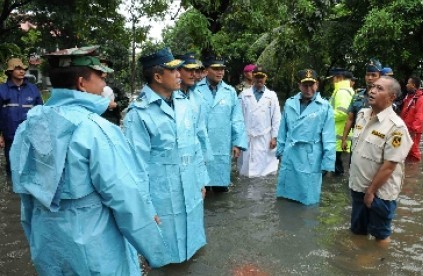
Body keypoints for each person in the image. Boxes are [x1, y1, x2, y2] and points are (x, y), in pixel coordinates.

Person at [10, 46, 169, 275]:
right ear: (82, 83)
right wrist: (156, 251)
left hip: (48, 242)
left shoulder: (27, 127)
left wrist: (35, 239)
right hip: (95, 246)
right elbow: (126, 198)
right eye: (100, 77)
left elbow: (26, 199)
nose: (104, 84)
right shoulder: (96, 130)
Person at [123, 47, 208, 264]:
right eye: (174, 71)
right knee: (166, 253)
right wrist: (145, 207)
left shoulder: (183, 103)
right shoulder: (139, 114)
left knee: (193, 251)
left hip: (189, 184)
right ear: (158, 76)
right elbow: (135, 167)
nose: (180, 74)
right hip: (162, 194)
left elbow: (194, 145)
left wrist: (201, 180)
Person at [349, 76, 413, 243]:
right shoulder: (362, 114)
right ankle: (357, 264)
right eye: (373, 87)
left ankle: (380, 264)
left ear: (392, 97)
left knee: (380, 235)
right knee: (357, 231)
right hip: (358, 187)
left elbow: (389, 166)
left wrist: (371, 192)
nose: (372, 91)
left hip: (379, 194)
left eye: (379, 89)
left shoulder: (396, 127)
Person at [276, 69, 336, 205]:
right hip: (290, 153)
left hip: (311, 157)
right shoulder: (290, 103)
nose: (308, 89)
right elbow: (282, 130)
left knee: (308, 200)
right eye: (305, 85)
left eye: (311, 85)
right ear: (299, 85)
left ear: (317, 85)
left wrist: (328, 163)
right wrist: (280, 152)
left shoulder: (325, 107)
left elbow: (329, 137)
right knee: (285, 199)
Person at [196, 53, 248, 192]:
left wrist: (237, 143)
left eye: (222, 69)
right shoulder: (195, 90)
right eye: (216, 68)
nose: (220, 72)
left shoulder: (230, 91)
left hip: (222, 145)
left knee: (221, 190)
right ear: (206, 70)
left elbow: (236, 118)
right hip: (201, 145)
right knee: (202, 189)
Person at [0, 58, 43, 175]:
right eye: (17, 68)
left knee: (30, 165)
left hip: (30, 134)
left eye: (23, 68)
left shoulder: (32, 89)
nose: (21, 71)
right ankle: (12, 188)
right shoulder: (2, 90)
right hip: (10, 135)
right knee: (12, 166)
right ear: (10, 71)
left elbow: (40, 111)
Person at [238, 65, 281, 177]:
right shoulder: (244, 95)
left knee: (265, 172)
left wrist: (274, 137)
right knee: (245, 171)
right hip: (248, 138)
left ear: (266, 78)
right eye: (257, 76)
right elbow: (238, 118)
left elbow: (276, 118)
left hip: (265, 138)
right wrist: (238, 140)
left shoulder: (272, 96)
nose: (259, 79)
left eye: (262, 77)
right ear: (253, 77)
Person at [341, 59, 383, 153]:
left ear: (380, 77)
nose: (370, 78)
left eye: (373, 75)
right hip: (357, 142)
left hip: (375, 144)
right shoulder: (357, 96)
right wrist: (344, 139)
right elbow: (350, 119)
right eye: (368, 75)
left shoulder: (384, 97)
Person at [328, 68, 355, 176]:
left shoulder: (342, 92)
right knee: (336, 166)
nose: (331, 81)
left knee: (334, 167)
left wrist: (324, 116)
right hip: (339, 136)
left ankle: (333, 191)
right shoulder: (346, 90)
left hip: (337, 137)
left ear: (338, 77)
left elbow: (343, 113)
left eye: (332, 79)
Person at [400, 76, 423, 162]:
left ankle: (413, 172)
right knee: (404, 151)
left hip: (413, 131)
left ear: (413, 85)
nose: (406, 85)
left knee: (413, 152)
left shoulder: (422, 100)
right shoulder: (409, 98)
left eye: (408, 83)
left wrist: (412, 130)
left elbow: (420, 117)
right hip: (405, 129)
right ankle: (408, 171)